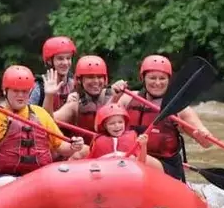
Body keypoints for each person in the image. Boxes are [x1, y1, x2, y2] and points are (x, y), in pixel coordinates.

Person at [0, 65, 85, 190]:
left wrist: (73, 146)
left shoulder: (40, 113)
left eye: (24, 91)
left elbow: (61, 147)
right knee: (10, 183)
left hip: (39, 177)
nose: (20, 95)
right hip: (3, 178)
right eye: (15, 91)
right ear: (5, 91)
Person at [113, 54, 213, 182]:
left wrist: (201, 135)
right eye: (152, 78)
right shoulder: (128, 98)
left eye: (162, 78)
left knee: (132, 158)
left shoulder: (180, 109)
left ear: (169, 80)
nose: (157, 83)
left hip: (166, 169)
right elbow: (103, 126)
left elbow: (207, 143)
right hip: (130, 164)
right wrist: (114, 96)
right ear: (143, 78)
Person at [52, 55, 121, 132]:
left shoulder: (115, 95)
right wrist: (49, 95)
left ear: (105, 79)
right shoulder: (74, 102)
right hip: (84, 143)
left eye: (99, 77)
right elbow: (49, 121)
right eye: (90, 77)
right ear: (79, 80)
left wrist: (120, 90)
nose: (96, 81)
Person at [87, 104, 163, 171]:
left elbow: (141, 163)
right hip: (107, 174)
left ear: (125, 123)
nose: (117, 126)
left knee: (157, 165)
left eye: (120, 122)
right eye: (112, 123)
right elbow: (90, 164)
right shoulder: (98, 141)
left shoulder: (132, 137)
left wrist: (143, 145)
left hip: (128, 174)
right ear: (104, 126)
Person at [30, 36, 77, 112]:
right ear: (49, 61)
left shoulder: (75, 84)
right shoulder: (40, 87)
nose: (65, 63)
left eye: (68, 58)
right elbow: (29, 116)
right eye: (60, 58)